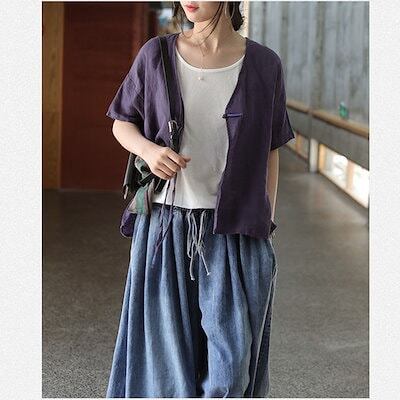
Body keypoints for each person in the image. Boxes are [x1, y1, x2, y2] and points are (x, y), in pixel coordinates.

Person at [104, 2, 295, 398]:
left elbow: (270, 148)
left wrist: (266, 224)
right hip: (165, 228)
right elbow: (123, 122)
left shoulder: (264, 65)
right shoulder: (156, 55)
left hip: (235, 233)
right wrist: (149, 151)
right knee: (167, 368)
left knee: (231, 370)